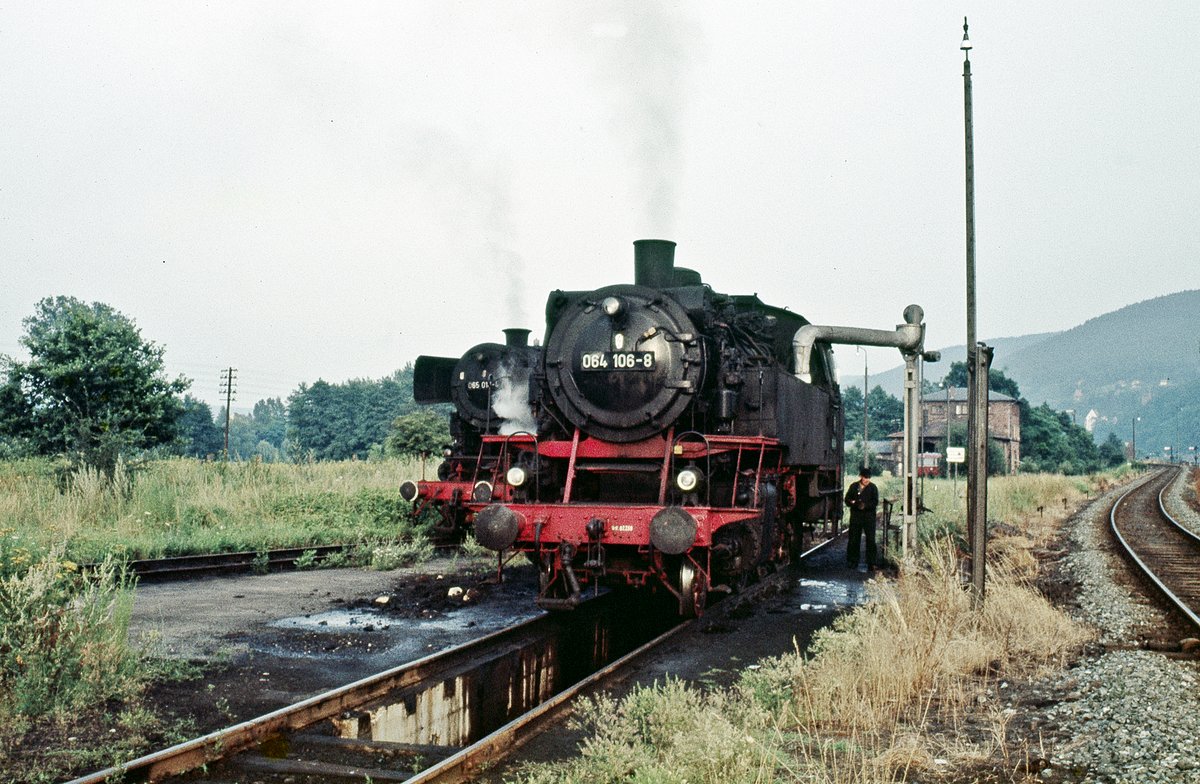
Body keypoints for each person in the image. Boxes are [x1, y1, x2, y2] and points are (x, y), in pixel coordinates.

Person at [844, 467, 879, 569]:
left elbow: (875, 501)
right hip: (856, 517)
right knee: (854, 539)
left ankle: (871, 562)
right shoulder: (853, 486)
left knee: (871, 540)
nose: (867, 480)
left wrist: (865, 505)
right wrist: (852, 502)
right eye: (865, 477)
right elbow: (847, 499)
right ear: (861, 477)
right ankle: (852, 561)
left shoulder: (873, 488)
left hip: (869, 517)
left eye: (868, 478)